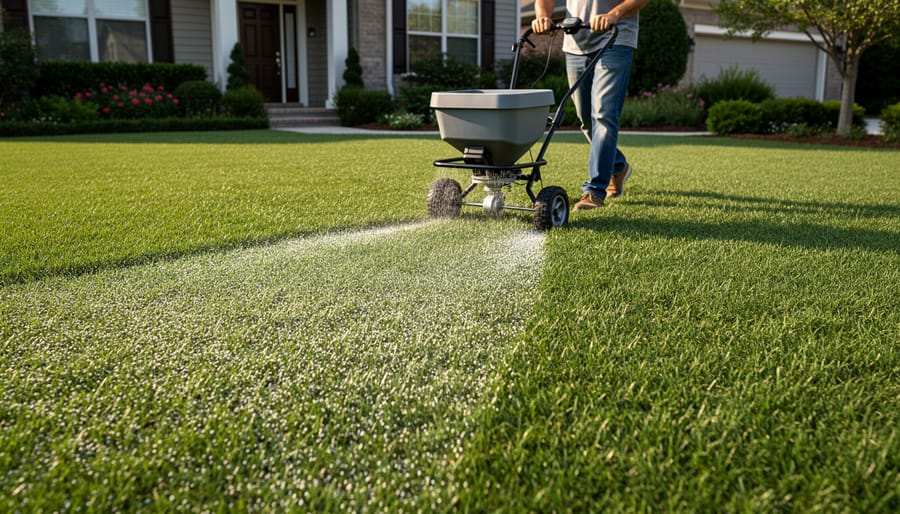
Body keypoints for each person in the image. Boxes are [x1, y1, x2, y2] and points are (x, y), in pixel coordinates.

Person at [532, 0, 650, 210]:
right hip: (575, 41)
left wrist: (615, 14)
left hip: (615, 36)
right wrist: (543, 15)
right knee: (585, 118)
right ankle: (618, 166)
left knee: (604, 114)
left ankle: (595, 191)